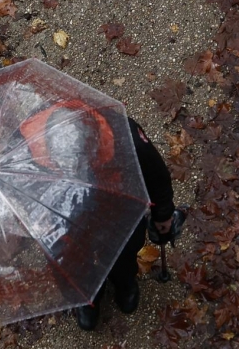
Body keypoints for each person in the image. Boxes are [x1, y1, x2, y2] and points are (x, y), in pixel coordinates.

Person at [17, 102, 176, 331]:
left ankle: (125, 283)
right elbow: (20, 184)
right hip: (61, 207)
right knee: (67, 257)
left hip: (116, 198)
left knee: (123, 246)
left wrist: (163, 214)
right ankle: (86, 298)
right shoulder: (28, 144)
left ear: (94, 144)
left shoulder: (125, 136)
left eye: (82, 165)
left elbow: (156, 176)